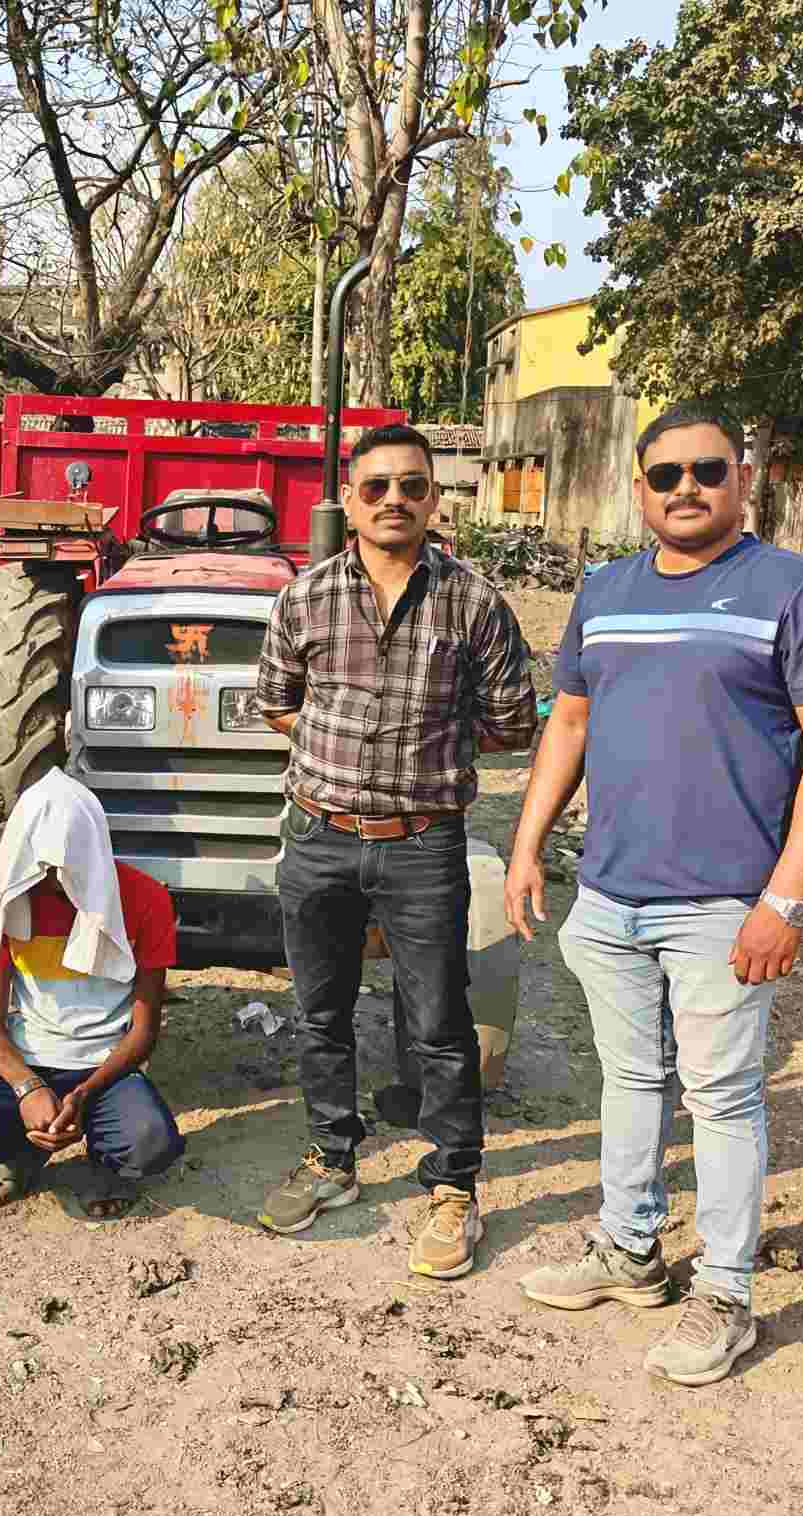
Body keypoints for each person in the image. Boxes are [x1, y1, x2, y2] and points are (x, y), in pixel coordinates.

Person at [509, 401, 803, 1385]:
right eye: (665, 475)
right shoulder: (604, 589)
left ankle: (727, 1294)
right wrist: (528, 846)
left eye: (705, 470)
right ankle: (630, 1250)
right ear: (640, 488)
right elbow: (566, 724)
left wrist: (784, 900)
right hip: (609, 895)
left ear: (744, 478)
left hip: (723, 902)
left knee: (723, 1096)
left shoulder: (795, 590)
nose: (685, 489)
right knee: (631, 1081)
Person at [253, 422, 537, 1277]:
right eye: (375, 487)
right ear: (349, 499)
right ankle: (332, 1160)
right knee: (319, 1011)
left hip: (423, 845)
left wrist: (429, 754)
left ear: (434, 499)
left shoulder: (475, 603)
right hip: (319, 839)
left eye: (411, 486)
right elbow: (276, 699)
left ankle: (454, 1186)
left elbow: (515, 720)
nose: (393, 502)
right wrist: (337, 754)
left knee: (439, 1020)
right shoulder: (305, 597)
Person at [0, 770, 185, 1215]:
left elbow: (142, 1032)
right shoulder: (4, 902)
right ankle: (24, 1150)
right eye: (41, 865)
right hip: (28, 1063)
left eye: (66, 866)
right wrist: (28, 1088)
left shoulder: (145, 899)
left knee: (150, 1143)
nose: (51, 880)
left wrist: (82, 1095)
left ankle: (105, 1164)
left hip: (106, 1070)